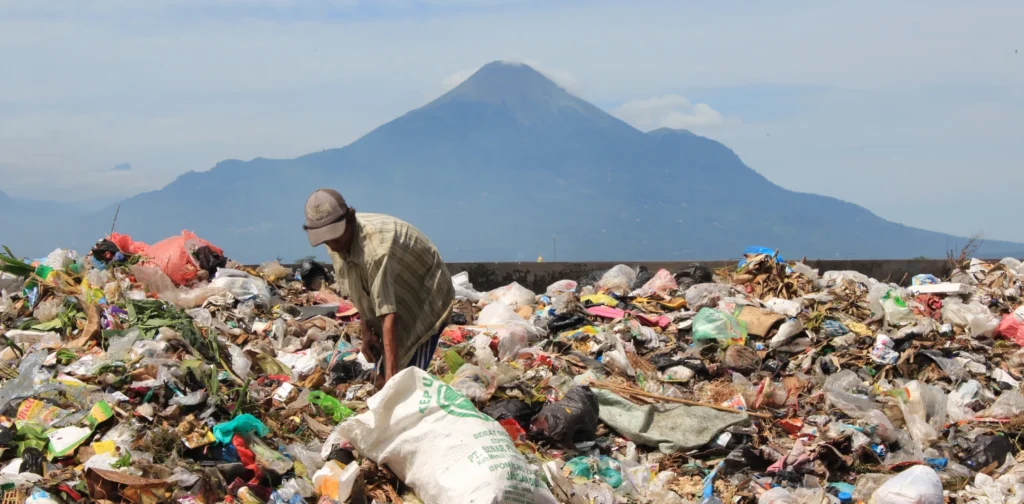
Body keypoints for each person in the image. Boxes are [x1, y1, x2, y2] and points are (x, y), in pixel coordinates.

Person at [303, 188, 454, 385]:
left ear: (349, 219)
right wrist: (366, 331)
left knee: (407, 379)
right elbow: (359, 286)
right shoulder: (335, 243)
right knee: (383, 376)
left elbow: (389, 315)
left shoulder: (375, 250)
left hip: (425, 295)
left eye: (336, 238)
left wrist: (392, 385)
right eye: (327, 240)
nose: (332, 245)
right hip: (393, 294)